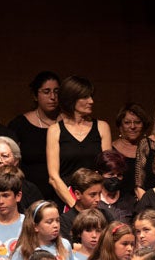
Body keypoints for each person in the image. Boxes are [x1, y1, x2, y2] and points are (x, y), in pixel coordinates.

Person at [46, 76, 111, 208]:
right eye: (85, 97)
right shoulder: (55, 130)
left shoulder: (102, 127)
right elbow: (53, 177)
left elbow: (108, 171)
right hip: (66, 201)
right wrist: (75, 206)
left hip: (96, 201)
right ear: (71, 99)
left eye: (91, 96)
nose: (91, 101)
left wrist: (94, 202)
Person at [6, 71, 61, 196]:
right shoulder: (19, 125)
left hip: (63, 193)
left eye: (56, 91)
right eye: (46, 92)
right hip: (29, 193)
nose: (53, 97)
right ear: (35, 96)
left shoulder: (68, 124)